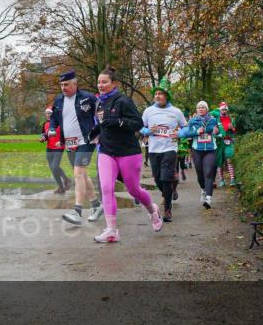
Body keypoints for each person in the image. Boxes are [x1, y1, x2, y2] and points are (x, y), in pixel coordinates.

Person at [90, 68, 163, 242]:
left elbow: (137, 123)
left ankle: (152, 210)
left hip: (128, 152)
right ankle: (112, 230)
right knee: (107, 188)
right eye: (99, 82)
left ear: (114, 83)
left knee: (134, 189)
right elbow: (102, 125)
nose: (101, 85)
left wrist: (117, 122)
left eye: (104, 82)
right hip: (106, 151)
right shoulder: (99, 103)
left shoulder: (123, 101)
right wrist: (91, 135)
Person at [49, 71, 102, 225]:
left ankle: (77, 211)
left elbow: (102, 116)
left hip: (86, 141)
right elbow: (53, 117)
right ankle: (96, 205)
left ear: (75, 84)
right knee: (82, 175)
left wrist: (98, 131)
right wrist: (52, 127)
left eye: (66, 84)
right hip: (69, 143)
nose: (63, 88)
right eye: (61, 85)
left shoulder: (88, 98)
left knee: (78, 173)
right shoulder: (59, 100)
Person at [140, 78, 187, 222]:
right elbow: (140, 128)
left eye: (161, 94)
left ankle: (167, 210)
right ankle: (170, 191)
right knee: (158, 179)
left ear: (167, 96)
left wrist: (179, 134)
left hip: (170, 149)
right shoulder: (148, 111)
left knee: (166, 179)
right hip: (154, 150)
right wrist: (148, 131)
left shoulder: (175, 111)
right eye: (156, 94)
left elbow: (186, 127)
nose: (158, 96)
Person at [180, 101, 222, 209]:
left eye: (203, 107)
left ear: (207, 109)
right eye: (199, 107)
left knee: (208, 173)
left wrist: (217, 132)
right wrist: (196, 132)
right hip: (197, 150)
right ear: (197, 110)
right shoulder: (193, 121)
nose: (201, 109)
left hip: (210, 150)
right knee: (200, 174)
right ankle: (203, 189)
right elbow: (185, 134)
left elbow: (220, 132)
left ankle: (208, 198)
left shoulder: (213, 120)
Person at [40, 107, 71, 194]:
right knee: (53, 169)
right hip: (49, 148)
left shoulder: (60, 123)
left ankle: (66, 179)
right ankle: (61, 187)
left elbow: (66, 134)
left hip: (59, 148)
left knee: (55, 166)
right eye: (46, 113)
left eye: (49, 113)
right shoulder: (45, 124)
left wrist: (62, 142)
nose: (47, 115)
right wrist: (43, 138)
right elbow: (44, 134)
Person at [215, 102, 237, 186]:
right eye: (222, 109)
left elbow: (234, 131)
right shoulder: (216, 119)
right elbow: (213, 130)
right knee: (219, 161)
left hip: (228, 141)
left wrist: (232, 128)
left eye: (225, 109)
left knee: (229, 159)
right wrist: (216, 132)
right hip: (219, 142)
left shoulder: (231, 119)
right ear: (220, 110)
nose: (224, 111)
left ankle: (232, 180)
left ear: (227, 110)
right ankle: (221, 180)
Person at [173, 111, 191, 201]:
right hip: (174, 148)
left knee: (182, 162)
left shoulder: (182, 128)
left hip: (182, 147)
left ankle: (183, 171)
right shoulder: (172, 128)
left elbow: (187, 134)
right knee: (175, 164)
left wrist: (186, 138)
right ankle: (177, 176)